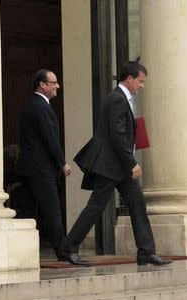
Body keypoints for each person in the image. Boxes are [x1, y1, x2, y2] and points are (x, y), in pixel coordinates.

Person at [59, 61, 172, 266]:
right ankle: (68, 248)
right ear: (129, 79)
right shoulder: (117, 99)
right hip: (111, 165)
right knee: (96, 206)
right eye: (140, 81)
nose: (142, 85)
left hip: (118, 165)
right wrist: (132, 162)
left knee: (137, 203)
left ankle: (146, 251)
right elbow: (117, 135)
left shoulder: (122, 98)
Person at [16, 69, 70, 259]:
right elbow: (50, 138)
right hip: (41, 169)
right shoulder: (40, 106)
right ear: (42, 84)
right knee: (52, 210)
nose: (57, 86)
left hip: (31, 168)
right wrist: (62, 163)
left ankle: (22, 253)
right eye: (53, 82)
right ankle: (63, 252)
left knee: (29, 212)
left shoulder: (34, 104)